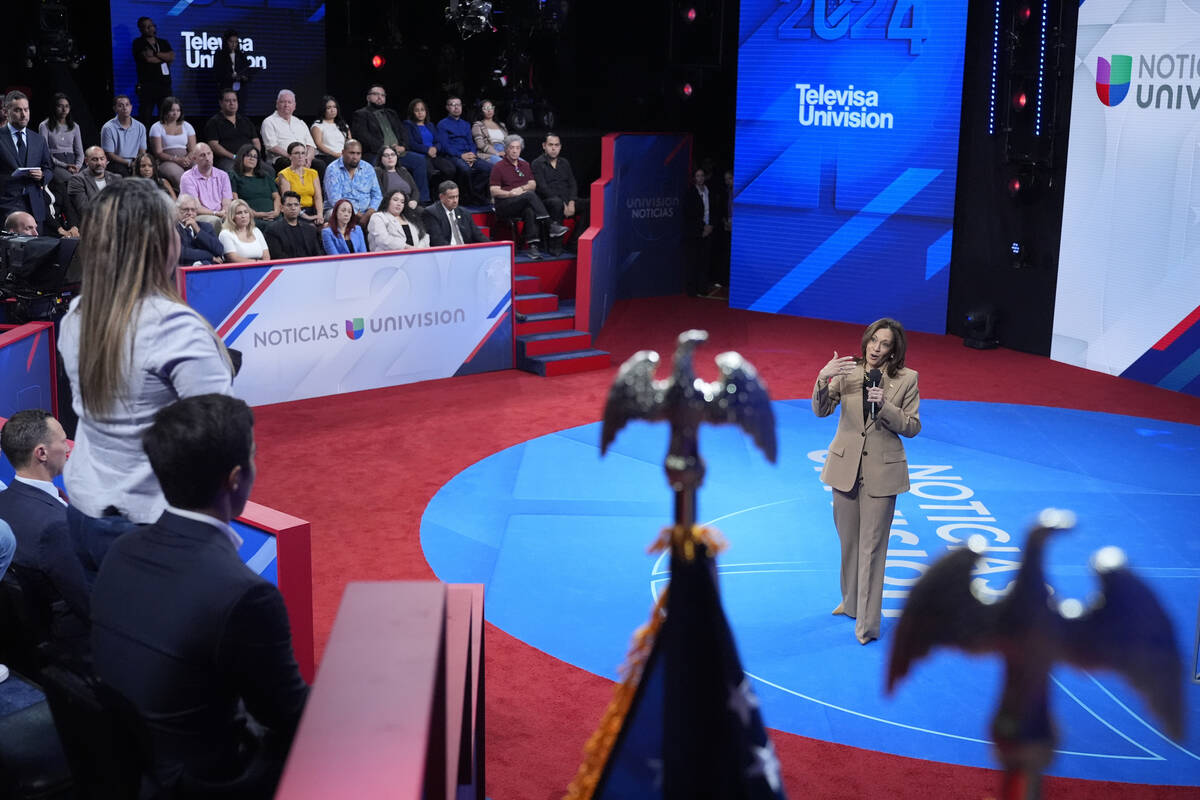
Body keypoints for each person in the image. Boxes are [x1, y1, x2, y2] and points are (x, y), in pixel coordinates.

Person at [90, 393, 309, 794]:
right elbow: (290, 715)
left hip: (134, 763)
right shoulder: (245, 594)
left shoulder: (122, 551)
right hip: (208, 781)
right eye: (254, 457)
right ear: (235, 478)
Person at [57, 179, 234, 526]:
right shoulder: (176, 327)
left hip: (83, 509)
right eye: (171, 228)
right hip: (150, 522)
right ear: (157, 243)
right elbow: (221, 442)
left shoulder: (77, 314)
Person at [812, 318, 920, 645]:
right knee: (850, 543)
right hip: (845, 468)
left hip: (882, 473)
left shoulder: (907, 379)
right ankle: (851, 604)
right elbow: (821, 411)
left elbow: (912, 426)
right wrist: (823, 378)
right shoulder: (846, 372)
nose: (876, 348)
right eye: (874, 340)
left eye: (884, 343)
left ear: (893, 349)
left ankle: (868, 625)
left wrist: (884, 406)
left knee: (873, 548)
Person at [0, 410, 90, 661]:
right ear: (41, 453)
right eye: (63, 441)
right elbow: (87, 602)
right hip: (73, 648)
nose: (69, 448)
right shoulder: (56, 527)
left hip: (22, 645)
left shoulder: (2, 502)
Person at [490, 134, 565, 260]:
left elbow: (532, 184)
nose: (514, 151)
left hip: (521, 201)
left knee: (530, 209)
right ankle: (550, 225)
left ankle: (533, 248)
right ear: (506, 149)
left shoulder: (524, 165)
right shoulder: (499, 167)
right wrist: (509, 193)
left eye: (517, 148)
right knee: (530, 196)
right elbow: (493, 191)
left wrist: (521, 189)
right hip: (505, 204)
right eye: (512, 147)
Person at [351, 84, 429, 199]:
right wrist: (385, 149)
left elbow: (403, 132)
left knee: (420, 161)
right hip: (376, 154)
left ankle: (421, 200)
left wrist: (403, 146)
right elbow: (363, 137)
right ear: (368, 98)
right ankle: (379, 202)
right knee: (372, 168)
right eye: (376, 94)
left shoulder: (391, 113)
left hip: (398, 153)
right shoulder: (361, 114)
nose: (380, 97)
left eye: (382, 95)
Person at [1, 91, 54, 233]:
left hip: (35, 205)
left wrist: (42, 176)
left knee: (36, 252)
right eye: (18, 110)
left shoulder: (38, 140)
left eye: (26, 109)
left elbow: (49, 168)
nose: (24, 115)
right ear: (6, 112)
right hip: (6, 205)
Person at [532, 132, 588, 255]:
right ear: (544, 146)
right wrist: (564, 204)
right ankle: (555, 247)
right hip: (548, 201)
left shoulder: (564, 162)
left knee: (590, 204)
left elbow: (573, 183)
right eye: (550, 145)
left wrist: (572, 201)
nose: (553, 148)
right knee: (556, 203)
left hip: (567, 200)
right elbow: (543, 188)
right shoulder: (537, 163)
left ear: (560, 147)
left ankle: (573, 243)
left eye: (556, 145)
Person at [437, 96, 490, 204]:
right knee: (465, 170)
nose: (456, 107)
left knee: (490, 168)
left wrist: (472, 155)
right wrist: (461, 156)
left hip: (469, 155)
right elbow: (445, 146)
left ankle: (474, 194)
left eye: (459, 105)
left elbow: (471, 143)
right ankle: (468, 197)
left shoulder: (466, 124)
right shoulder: (442, 124)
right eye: (453, 105)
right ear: (447, 108)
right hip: (453, 156)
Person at [404, 99, 453, 203]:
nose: (420, 112)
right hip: (420, 155)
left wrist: (435, 148)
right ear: (412, 112)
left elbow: (438, 142)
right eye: (417, 110)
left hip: (434, 154)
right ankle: (429, 199)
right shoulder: (408, 124)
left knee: (450, 169)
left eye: (422, 110)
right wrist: (427, 150)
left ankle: (440, 195)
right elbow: (411, 144)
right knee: (430, 172)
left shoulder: (430, 125)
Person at [38, 93, 84, 206]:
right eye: (60, 106)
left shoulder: (74, 126)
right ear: (54, 107)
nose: (64, 109)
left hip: (73, 162)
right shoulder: (44, 125)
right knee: (71, 181)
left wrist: (78, 166)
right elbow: (45, 153)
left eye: (67, 106)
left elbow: (80, 152)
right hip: (55, 162)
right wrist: (65, 165)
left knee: (87, 178)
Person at [203, 89, 264, 174]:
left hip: (250, 157)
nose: (232, 103)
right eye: (228, 101)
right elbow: (214, 145)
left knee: (268, 170)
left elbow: (256, 141)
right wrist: (234, 157)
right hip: (227, 159)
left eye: (234, 100)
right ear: (221, 103)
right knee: (231, 171)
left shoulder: (245, 121)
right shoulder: (214, 122)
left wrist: (254, 155)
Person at [261, 90, 319, 177]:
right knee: (287, 164)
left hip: (303, 158)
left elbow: (311, 146)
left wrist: (308, 159)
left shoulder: (300, 123)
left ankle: (316, 190)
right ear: (277, 104)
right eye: (283, 102)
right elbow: (272, 146)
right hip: (282, 158)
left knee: (319, 165)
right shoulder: (269, 122)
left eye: (289, 102)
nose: (286, 105)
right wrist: (293, 157)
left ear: (294, 106)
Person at [131, 16, 174, 125]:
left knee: (166, 115)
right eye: (147, 27)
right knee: (145, 117)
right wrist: (163, 58)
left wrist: (156, 54)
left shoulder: (163, 42)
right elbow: (148, 59)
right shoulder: (138, 43)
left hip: (164, 85)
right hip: (147, 86)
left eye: (152, 26)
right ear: (141, 29)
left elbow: (171, 57)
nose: (151, 29)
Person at [67, 147, 123, 230]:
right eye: (94, 159)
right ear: (86, 161)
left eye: (102, 159)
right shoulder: (77, 180)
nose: (99, 163)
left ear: (106, 160)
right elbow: (84, 210)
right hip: (92, 228)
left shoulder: (116, 178)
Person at [148, 96, 196, 191]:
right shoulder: (157, 127)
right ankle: (186, 201)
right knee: (178, 175)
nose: (175, 113)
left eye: (178, 110)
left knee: (200, 169)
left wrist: (187, 159)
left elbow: (193, 149)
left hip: (186, 158)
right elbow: (158, 153)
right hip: (166, 160)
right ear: (165, 111)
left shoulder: (187, 126)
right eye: (172, 110)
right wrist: (177, 160)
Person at [323, 139, 380, 218]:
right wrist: (356, 215)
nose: (355, 157)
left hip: (367, 213)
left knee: (381, 218)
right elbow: (335, 200)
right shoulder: (333, 169)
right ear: (343, 153)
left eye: (358, 154)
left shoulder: (368, 168)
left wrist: (369, 213)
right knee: (341, 215)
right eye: (352, 153)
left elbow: (377, 195)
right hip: (340, 210)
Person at [179, 142, 232, 227]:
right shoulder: (187, 178)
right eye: (202, 155)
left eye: (209, 154)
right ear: (194, 159)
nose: (207, 158)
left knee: (241, 218)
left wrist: (224, 213)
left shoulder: (223, 175)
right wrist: (216, 213)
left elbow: (227, 203)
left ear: (213, 155)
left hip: (221, 214)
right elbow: (196, 207)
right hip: (198, 215)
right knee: (214, 221)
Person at [422, 180, 488, 247]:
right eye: (451, 197)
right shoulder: (431, 213)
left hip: (465, 250)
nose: (455, 201)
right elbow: (437, 241)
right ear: (441, 197)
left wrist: (492, 247)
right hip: (447, 252)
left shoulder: (464, 212)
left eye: (457, 196)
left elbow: (478, 235)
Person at [228, 143, 280, 227]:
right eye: (249, 155)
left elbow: (276, 197)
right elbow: (236, 201)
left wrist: (276, 212)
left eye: (255, 157)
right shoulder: (234, 176)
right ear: (241, 157)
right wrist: (256, 214)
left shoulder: (265, 176)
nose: (252, 159)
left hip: (274, 216)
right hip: (251, 217)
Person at [683, 167, 715, 297]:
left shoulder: (709, 191)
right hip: (695, 232)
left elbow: (714, 209)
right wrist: (703, 227)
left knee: (704, 261)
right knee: (693, 261)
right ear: (694, 178)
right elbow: (690, 214)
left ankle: (702, 287)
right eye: (697, 176)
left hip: (708, 230)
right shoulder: (690, 193)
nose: (700, 178)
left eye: (702, 175)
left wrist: (710, 225)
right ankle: (692, 289)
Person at [100, 95, 148, 176]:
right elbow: (109, 154)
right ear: (115, 109)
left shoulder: (140, 127)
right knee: (124, 174)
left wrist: (138, 162)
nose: (125, 108)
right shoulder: (108, 128)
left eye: (127, 105)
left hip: (136, 161)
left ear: (131, 107)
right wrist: (129, 163)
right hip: (116, 163)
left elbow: (142, 150)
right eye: (120, 106)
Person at [276, 141, 323, 223]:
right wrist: (306, 216)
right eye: (297, 153)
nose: (300, 156)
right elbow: (289, 201)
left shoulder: (313, 173)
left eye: (303, 153)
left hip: (312, 210)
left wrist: (320, 215)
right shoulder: (284, 174)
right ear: (290, 156)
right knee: (309, 227)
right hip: (295, 211)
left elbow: (318, 197)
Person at [265, 192, 322, 259]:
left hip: (310, 266)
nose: (293, 208)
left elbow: (318, 254)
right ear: (282, 208)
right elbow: (277, 255)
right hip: (287, 267)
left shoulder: (310, 229)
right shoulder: (273, 230)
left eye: (296, 205)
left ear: (300, 207)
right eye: (289, 205)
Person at [176, 194, 224, 265]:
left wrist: (198, 230)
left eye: (193, 210)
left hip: (208, 268)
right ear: (177, 211)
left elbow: (219, 250)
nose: (190, 213)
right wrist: (210, 256)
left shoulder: (206, 227)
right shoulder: (172, 229)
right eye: (185, 210)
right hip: (185, 270)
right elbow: (181, 252)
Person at [373, 145, 420, 212]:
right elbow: (381, 195)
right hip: (390, 208)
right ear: (381, 158)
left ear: (396, 157)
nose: (390, 157)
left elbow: (415, 190)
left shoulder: (403, 170)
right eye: (386, 155)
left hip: (409, 206)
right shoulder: (377, 172)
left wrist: (414, 201)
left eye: (393, 154)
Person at [213, 30, 252, 108]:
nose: (234, 44)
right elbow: (217, 74)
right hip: (226, 89)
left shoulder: (241, 55)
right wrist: (231, 77)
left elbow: (247, 72)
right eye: (231, 42)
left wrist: (244, 77)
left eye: (236, 42)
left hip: (240, 90)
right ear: (226, 42)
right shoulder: (220, 55)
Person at [311, 95, 350, 170]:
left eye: (334, 107)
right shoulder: (318, 125)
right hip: (326, 156)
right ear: (323, 109)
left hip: (343, 155)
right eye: (329, 108)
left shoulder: (343, 125)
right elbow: (319, 144)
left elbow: (349, 142)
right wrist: (335, 154)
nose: (333, 110)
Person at [471, 99, 507, 164]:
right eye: (485, 108)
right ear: (481, 111)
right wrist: (497, 153)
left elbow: (508, 141)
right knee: (505, 165)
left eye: (491, 107)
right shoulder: (477, 125)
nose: (489, 110)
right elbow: (480, 145)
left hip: (505, 151)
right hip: (490, 153)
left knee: (523, 164)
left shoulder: (502, 125)